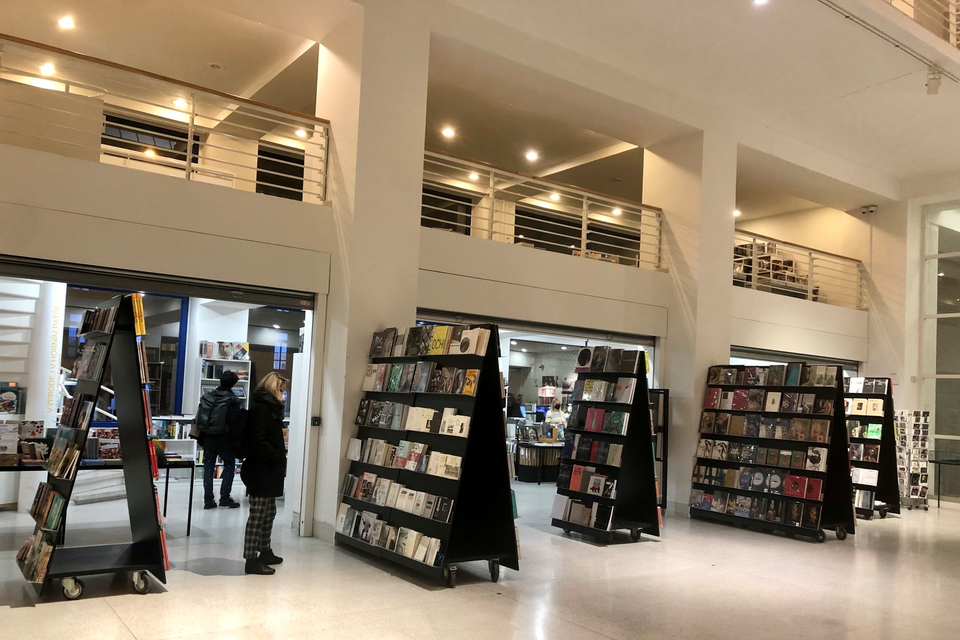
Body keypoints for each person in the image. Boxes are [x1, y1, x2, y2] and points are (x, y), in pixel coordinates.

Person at [240, 371, 288, 575]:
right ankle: (251, 559)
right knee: (258, 514)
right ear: (273, 388)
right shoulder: (262, 409)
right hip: (260, 470)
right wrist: (275, 454)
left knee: (269, 512)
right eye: (282, 390)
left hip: (269, 470)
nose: (284, 395)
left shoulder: (271, 408)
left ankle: (265, 550)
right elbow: (258, 440)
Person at [196, 371, 244, 510]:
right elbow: (235, 421)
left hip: (208, 438)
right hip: (224, 439)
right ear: (234, 384)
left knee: (208, 469)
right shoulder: (233, 399)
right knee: (229, 466)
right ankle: (224, 498)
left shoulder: (207, 396)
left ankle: (208, 500)